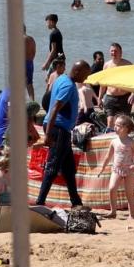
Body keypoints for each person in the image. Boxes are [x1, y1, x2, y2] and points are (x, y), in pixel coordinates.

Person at [36, 58, 89, 208]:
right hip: (58, 128)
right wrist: (47, 134)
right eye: (85, 75)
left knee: (69, 168)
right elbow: (55, 108)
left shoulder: (61, 79)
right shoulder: (68, 85)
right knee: (52, 167)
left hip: (61, 128)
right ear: (77, 71)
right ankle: (40, 202)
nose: (85, 79)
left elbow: (47, 99)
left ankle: (76, 202)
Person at [97, 115, 134, 219]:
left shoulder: (131, 142)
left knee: (129, 193)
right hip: (116, 169)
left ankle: (132, 215)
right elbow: (108, 156)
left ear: (125, 128)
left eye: (118, 126)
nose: (115, 127)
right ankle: (113, 211)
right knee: (112, 188)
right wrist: (102, 168)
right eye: (115, 125)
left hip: (129, 170)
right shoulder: (114, 141)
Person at [98, 42, 134, 116]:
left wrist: (133, 94)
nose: (113, 53)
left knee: (123, 123)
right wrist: (100, 98)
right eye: (112, 51)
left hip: (125, 97)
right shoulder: (106, 65)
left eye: (115, 51)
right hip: (110, 97)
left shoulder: (128, 64)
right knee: (110, 122)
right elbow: (103, 84)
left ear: (121, 52)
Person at [23, 26, 37, 101]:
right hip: (30, 63)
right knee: (29, 84)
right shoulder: (31, 39)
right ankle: (32, 102)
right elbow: (34, 52)